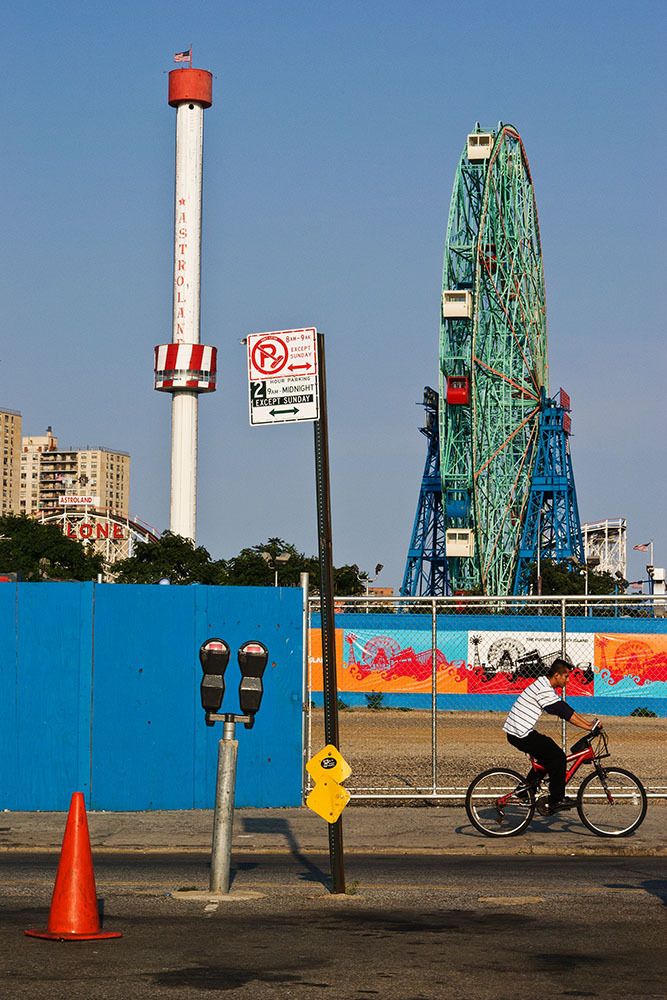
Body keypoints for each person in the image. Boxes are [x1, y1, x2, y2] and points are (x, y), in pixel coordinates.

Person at [503, 657, 599, 814]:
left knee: (546, 754)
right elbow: (562, 711)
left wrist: (589, 724)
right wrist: (588, 726)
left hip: (519, 731)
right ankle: (556, 799)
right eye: (566, 676)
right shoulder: (543, 689)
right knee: (558, 757)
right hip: (520, 733)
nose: (568, 680)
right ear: (556, 675)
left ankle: (525, 790)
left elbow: (564, 708)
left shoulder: (544, 685)